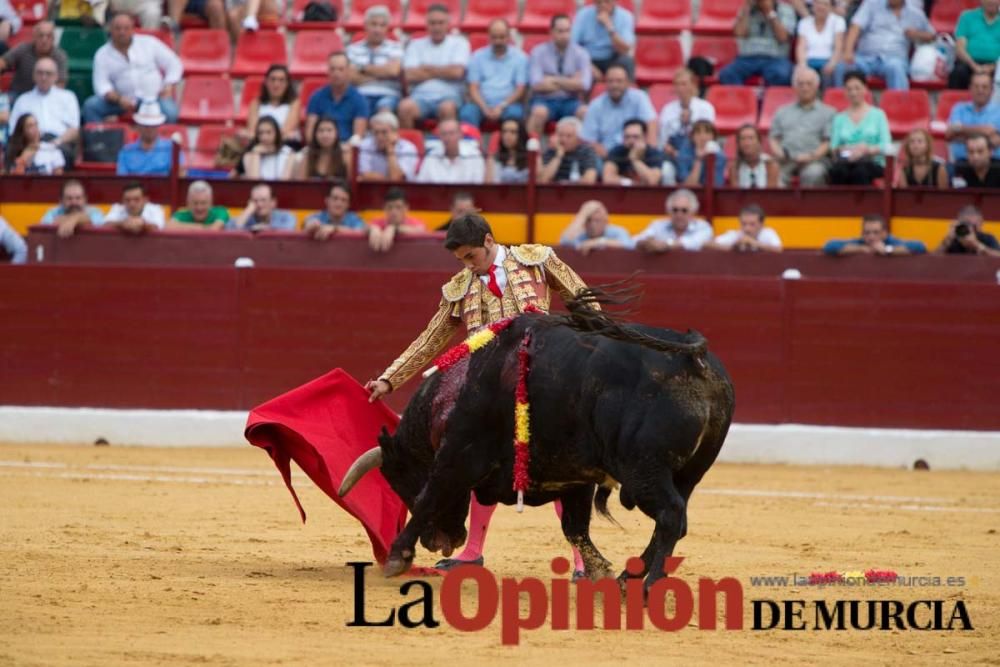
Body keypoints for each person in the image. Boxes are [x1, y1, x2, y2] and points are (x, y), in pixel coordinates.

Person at [364, 212, 594, 578]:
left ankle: (583, 558)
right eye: (461, 261)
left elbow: (583, 299)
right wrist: (390, 380)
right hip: (487, 390)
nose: (468, 266)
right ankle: (472, 551)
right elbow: (431, 338)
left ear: (489, 241)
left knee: (561, 464)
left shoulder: (537, 259)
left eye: (471, 257)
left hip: (542, 377)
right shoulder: (460, 287)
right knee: (472, 457)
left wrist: (592, 347)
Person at [84, 14, 183, 124]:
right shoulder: (102, 54)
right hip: (122, 100)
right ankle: (100, 139)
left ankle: (159, 141)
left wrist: (168, 84)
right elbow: (101, 85)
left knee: (171, 113)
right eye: (118, 28)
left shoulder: (149, 43)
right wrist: (119, 99)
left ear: (133, 29)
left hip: (153, 97)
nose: (122, 32)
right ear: (110, 30)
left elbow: (174, 63)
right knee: (91, 106)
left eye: (126, 28)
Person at [398, 4, 469, 128]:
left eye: (441, 23)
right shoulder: (415, 45)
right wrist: (444, 70)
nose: (436, 27)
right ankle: (410, 146)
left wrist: (426, 69)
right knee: (405, 107)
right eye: (433, 23)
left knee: (447, 108)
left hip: (450, 96)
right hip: (420, 96)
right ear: (427, 24)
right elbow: (409, 75)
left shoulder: (460, 43)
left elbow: (456, 72)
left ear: (448, 23)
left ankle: (444, 147)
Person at [836, 0, 934, 90]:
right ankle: (839, 104)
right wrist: (848, 51)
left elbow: (932, 35)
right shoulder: (872, 4)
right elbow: (855, 27)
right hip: (865, 58)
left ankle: (899, 106)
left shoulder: (915, 13)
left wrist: (917, 34)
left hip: (893, 59)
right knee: (842, 66)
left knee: (895, 68)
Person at [769, 66, 836, 187]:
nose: (805, 88)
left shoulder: (829, 113)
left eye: (809, 84)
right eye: (800, 84)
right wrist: (779, 153)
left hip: (815, 160)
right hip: (786, 160)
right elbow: (774, 138)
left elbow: (828, 142)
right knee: (773, 174)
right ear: (794, 87)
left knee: (814, 174)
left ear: (816, 87)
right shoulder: (782, 111)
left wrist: (811, 156)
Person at [526, 14, 591, 136]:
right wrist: (571, 81)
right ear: (551, 32)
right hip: (545, 100)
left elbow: (584, 84)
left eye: (567, 31)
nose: (565, 35)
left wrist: (551, 79)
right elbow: (536, 84)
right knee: (538, 113)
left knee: (585, 112)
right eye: (560, 31)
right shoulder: (538, 52)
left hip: (571, 100)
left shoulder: (581, 54)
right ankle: (533, 151)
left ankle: (583, 154)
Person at [8, 57, 79, 162]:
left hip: (59, 144)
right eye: (40, 73)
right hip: (30, 145)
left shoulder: (68, 97)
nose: (44, 77)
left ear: (56, 76)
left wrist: (55, 143)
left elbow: (74, 130)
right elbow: (13, 130)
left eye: (48, 73)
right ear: (33, 75)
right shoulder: (23, 100)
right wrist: (34, 145)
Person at [459, 19, 528, 129]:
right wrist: (484, 107)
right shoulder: (477, 57)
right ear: (489, 37)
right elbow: (473, 88)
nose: (498, 41)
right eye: (494, 37)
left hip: (508, 104)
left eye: (502, 37)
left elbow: (520, 89)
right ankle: (471, 145)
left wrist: (501, 106)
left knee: (515, 114)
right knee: (467, 113)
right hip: (481, 104)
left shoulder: (520, 58)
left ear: (509, 37)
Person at [580, 63, 656, 159]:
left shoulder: (639, 98)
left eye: (619, 81)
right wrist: (610, 157)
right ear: (605, 83)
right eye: (610, 81)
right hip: (606, 155)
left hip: (637, 153)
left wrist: (650, 153)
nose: (614, 85)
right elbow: (588, 140)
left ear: (628, 83)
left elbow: (651, 123)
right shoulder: (596, 105)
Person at [828, 71, 891, 185]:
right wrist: (846, 149)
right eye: (849, 89)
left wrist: (867, 149)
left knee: (860, 172)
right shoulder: (839, 118)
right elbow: (833, 146)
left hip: (872, 161)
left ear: (865, 89)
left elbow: (886, 144)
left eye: (857, 88)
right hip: (846, 160)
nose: (853, 92)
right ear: (845, 92)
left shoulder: (878, 115)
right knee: (838, 171)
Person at [719, 0, 797, 87]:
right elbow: (739, 33)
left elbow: (783, 37)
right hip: (747, 58)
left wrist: (770, 12)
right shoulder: (746, 9)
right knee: (727, 74)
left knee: (782, 74)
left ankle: (771, 99)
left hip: (776, 58)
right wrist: (746, 10)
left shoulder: (785, 9)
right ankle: (743, 99)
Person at [347, 5, 404, 113]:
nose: (377, 29)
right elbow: (351, 77)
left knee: (384, 111)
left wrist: (361, 68)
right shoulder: (352, 49)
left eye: (382, 25)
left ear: (387, 28)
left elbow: (393, 71)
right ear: (365, 26)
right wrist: (382, 74)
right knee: (359, 109)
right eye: (374, 24)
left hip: (388, 94)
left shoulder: (396, 47)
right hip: (361, 94)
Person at [305, 52, 369, 144]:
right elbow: (310, 133)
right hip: (321, 147)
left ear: (348, 71)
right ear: (328, 71)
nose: (336, 73)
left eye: (341, 69)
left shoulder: (359, 100)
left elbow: (358, 136)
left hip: (346, 148)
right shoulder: (316, 97)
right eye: (332, 69)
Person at [0, 21, 68, 98]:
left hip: (47, 96)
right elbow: (2, 62)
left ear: (53, 39)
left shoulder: (59, 56)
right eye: (40, 35)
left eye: (48, 36)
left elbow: (61, 83)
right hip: (19, 93)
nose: (44, 40)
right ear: (34, 37)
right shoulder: (23, 49)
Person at [571, 0, 635, 81]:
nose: (602, 5)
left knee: (627, 61)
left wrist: (609, 26)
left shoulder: (626, 16)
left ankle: (628, 92)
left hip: (612, 58)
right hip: (588, 58)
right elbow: (572, 46)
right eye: (599, 2)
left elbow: (624, 50)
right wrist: (588, 66)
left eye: (606, 1)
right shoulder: (583, 15)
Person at [634, 189, 713, 252]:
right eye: (675, 210)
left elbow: (694, 242)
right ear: (668, 211)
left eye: (684, 210)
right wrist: (645, 243)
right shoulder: (658, 225)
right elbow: (636, 240)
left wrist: (666, 245)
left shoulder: (703, 227)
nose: (679, 214)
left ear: (693, 212)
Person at [945, 72, 1000, 163]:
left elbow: (996, 141)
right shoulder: (959, 108)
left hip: (994, 164)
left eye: (984, 87)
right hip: (962, 162)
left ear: (992, 90)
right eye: (976, 86)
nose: (980, 90)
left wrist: (960, 129)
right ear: (970, 88)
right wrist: (985, 132)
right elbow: (949, 135)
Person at [116, 100, 178, 176]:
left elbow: (180, 174)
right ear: (138, 126)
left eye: (153, 126)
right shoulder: (126, 152)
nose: (149, 129)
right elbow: (122, 180)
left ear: (158, 126)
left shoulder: (171, 149)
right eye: (145, 125)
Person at [948, 0, 1000, 91]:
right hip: (969, 64)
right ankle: (955, 103)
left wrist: (992, 67)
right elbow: (960, 48)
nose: (991, 1)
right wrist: (974, 66)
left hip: (997, 66)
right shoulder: (967, 17)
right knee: (958, 73)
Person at [245, 64, 301, 145]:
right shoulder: (256, 103)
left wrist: (267, 139)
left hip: (285, 146)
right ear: (266, 82)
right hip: (259, 146)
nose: (276, 84)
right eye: (272, 79)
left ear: (287, 84)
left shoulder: (294, 103)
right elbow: (253, 130)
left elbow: (287, 130)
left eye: (281, 80)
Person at [416, 119, 485, 183]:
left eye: (451, 133)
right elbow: (421, 186)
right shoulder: (431, 157)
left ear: (460, 135)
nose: (447, 138)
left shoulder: (474, 156)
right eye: (444, 134)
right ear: (439, 136)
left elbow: (479, 187)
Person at [357, 110, 420, 181]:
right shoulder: (365, 145)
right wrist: (388, 179)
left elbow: (396, 178)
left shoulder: (408, 148)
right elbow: (364, 175)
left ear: (395, 132)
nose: (379, 137)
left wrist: (390, 150)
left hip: (401, 191)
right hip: (372, 190)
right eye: (376, 133)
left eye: (384, 132)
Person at [795, 0, 846, 87]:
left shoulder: (838, 21)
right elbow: (801, 47)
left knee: (836, 70)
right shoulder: (804, 22)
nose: (821, 7)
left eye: (825, 4)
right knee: (798, 72)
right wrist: (802, 64)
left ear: (830, 7)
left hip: (829, 60)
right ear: (813, 5)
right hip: (809, 61)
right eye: (818, 3)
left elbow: (839, 47)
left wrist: (832, 63)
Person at [823, 214, 927, 255]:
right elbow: (829, 246)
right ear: (862, 234)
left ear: (884, 233)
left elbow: (920, 246)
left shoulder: (890, 242)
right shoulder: (861, 242)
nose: (871, 236)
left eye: (876, 232)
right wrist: (861, 249)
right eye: (867, 233)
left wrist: (887, 250)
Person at [602, 118, 664, 185]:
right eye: (627, 137)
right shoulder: (616, 152)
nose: (631, 141)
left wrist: (635, 160)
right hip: (622, 193)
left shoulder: (653, 153)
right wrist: (630, 183)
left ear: (645, 137)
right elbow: (607, 178)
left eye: (636, 137)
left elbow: (652, 181)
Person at [538, 116, 598, 184]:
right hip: (554, 193)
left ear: (578, 138)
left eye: (569, 136)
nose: (563, 139)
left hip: (577, 192)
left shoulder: (587, 151)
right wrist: (558, 156)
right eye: (560, 135)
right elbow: (543, 180)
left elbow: (590, 179)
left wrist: (567, 184)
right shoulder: (551, 151)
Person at [559, 200, 634, 254]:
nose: (592, 225)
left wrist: (598, 242)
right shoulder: (581, 235)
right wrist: (582, 215)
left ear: (606, 221)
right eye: (588, 220)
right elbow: (564, 241)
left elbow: (629, 245)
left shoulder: (617, 231)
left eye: (597, 220)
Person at [367, 187, 427, 252]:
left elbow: (421, 230)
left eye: (398, 207)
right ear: (384, 208)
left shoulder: (415, 223)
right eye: (389, 207)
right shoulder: (377, 222)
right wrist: (373, 228)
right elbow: (364, 227)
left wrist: (394, 228)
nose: (394, 212)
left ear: (406, 208)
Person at [234, 116, 293, 180]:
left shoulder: (288, 153)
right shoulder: (249, 155)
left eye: (269, 132)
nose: (264, 137)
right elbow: (253, 182)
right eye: (261, 133)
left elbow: (284, 182)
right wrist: (256, 153)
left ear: (277, 133)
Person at [705, 204, 783, 252]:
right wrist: (733, 247)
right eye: (744, 224)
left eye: (752, 224)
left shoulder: (767, 233)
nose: (747, 228)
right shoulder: (735, 235)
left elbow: (778, 249)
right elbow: (707, 244)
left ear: (761, 224)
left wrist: (754, 243)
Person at [40, 180, 105, 238]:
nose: (74, 202)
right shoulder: (52, 212)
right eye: (69, 198)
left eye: (78, 198)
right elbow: (46, 227)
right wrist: (79, 220)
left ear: (85, 199)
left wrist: (75, 219)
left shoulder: (95, 212)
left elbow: (98, 223)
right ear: (61, 200)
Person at [933, 204, 1000, 256]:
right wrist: (947, 240)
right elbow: (932, 259)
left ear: (980, 225)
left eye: (973, 226)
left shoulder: (987, 238)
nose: (970, 229)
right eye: (966, 224)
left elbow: (998, 256)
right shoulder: (953, 240)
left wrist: (977, 245)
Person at [729, 124, 780, 188]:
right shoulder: (734, 167)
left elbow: (770, 195)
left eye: (751, 138)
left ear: (759, 142)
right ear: (738, 144)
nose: (747, 143)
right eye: (742, 139)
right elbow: (735, 195)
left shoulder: (770, 164)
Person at [231, 183, 297, 232]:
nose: (259, 204)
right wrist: (247, 211)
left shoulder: (286, 217)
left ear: (273, 202)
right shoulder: (245, 217)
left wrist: (266, 229)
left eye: (263, 200)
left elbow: (288, 231)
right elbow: (231, 231)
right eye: (255, 201)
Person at [679, 119, 727, 186]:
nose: (703, 137)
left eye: (707, 132)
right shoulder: (685, 152)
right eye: (698, 132)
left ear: (713, 136)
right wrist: (699, 159)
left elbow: (716, 185)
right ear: (692, 136)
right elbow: (689, 184)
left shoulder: (719, 156)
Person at [486, 117, 530, 183]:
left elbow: (541, 181)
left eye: (513, 132)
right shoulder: (493, 159)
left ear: (521, 135)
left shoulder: (531, 157)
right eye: (504, 132)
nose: (507, 135)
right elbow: (488, 187)